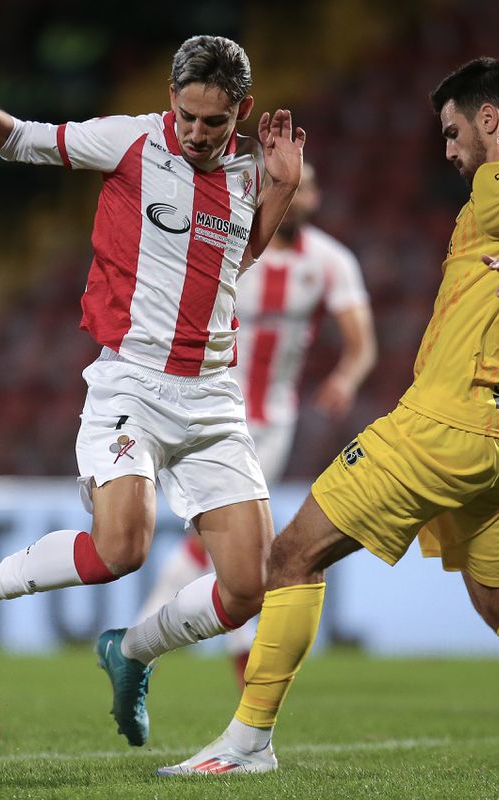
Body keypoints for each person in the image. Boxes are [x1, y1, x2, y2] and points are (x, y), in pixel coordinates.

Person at [157, 21, 499, 779]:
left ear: (490, 120)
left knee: (292, 555)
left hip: (443, 421)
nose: (448, 147)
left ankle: (247, 746)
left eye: (453, 129)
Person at [0, 35, 306, 750]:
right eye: (187, 116)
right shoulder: (129, 142)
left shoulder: (247, 168)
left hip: (211, 397)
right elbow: (16, 141)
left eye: (214, 121)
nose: (198, 134)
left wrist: (280, 189)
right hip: (133, 384)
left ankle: (132, 652)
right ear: (171, 101)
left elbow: (236, 257)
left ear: (242, 111)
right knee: (123, 548)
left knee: (247, 588)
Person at [134, 162, 377, 687]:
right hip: (210, 409)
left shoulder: (331, 261)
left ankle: (145, 644)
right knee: (224, 542)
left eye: (310, 188)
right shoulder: (231, 246)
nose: (302, 196)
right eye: (295, 186)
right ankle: (145, 644)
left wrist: (346, 378)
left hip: (272, 422)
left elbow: (361, 345)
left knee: (225, 542)